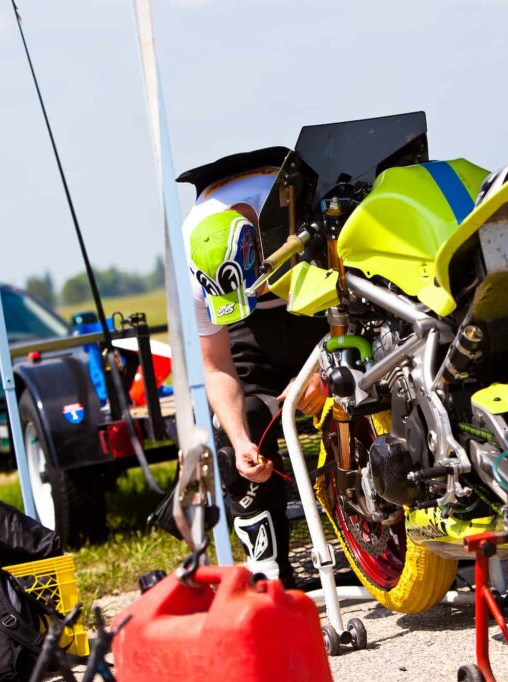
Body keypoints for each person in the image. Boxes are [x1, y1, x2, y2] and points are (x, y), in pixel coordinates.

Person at [177, 147, 328, 586]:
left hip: (317, 308)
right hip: (249, 337)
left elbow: (362, 313)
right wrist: (242, 440)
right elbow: (216, 364)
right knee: (237, 434)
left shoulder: (302, 211)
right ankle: (270, 574)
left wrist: (325, 370)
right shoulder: (193, 258)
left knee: (356, 391)